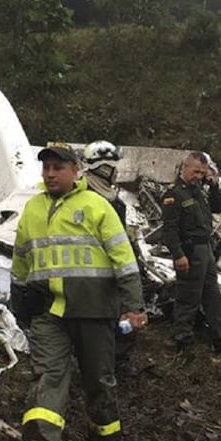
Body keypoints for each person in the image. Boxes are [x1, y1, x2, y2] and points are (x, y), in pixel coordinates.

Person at [10, 146, 147, 441]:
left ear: (75, 170)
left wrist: (133, 307)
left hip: (93, 311)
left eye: (57, 167)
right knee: (48, 377)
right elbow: (21, 260)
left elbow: (124, 260)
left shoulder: (97, 207)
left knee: (98, 381)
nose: (50, 174)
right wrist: (19, 302)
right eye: (46, 168)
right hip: (49, 312)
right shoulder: (33, 209)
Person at [82, 140, 144, 375]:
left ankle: (119, 359)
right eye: (114, 167)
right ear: (105, 168)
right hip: (94, 271)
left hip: (115, 267)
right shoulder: (86, 197)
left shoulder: (113, 199)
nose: (117, 172)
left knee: (123, 314)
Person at [160, 152, 221, 351]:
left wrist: (214, 186)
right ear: (184, 168)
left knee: (212, 294)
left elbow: (217, 207)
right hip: (189, 250)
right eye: (195, 172)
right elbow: (169, 229)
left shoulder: (198, 191)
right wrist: (178, 255)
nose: (198, 176)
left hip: (205, 247)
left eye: (202, 173)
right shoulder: (174, 194)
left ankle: (220, 337)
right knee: (188, 295)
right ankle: (183, 337)